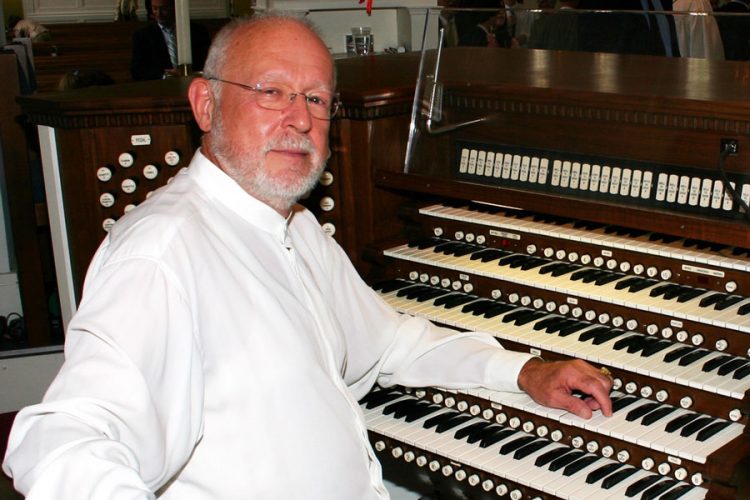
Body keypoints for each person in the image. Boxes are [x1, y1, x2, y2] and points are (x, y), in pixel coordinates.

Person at [2, 13, 613, 499]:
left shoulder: (295, 230)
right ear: (205, 105)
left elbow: (393, 341)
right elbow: (67, 438)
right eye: (271, 92)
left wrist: (522, 372)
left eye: (317, 100)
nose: (300, 119)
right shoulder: (163, 254)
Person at [130, 0, 210, 80]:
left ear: (174, 7)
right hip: (160, 87)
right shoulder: (142, 36)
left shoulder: (197, 31)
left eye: (164, 9)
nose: (159, 14)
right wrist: (165, 75)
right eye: (155, 8)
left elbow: (209, 63)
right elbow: (137, 71)